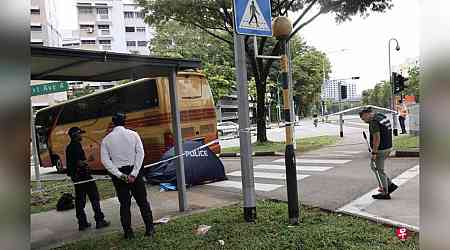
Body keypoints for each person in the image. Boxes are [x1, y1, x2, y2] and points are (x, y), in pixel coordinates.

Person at [100, 112, 155, 239]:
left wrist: (120, 175)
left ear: (113, 123)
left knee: (124, 204)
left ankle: (128, 232)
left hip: (119, 174)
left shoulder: (106, 140)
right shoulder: (134, 135)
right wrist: (134, 173)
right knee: (143, 202)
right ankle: (150, 229)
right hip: (134, 172)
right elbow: (140, 154)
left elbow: (105, 161)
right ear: (125, 121)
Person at [65, 127, 110, 231]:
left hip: (76, 177)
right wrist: (89, 161)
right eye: (80, 134)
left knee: (80, 201)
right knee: (94, 197)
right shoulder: (76, 146)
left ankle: (82, 223)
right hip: (83, 176)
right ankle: (99, 220)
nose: (82, 136)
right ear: (75, 135)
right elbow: (79, 162)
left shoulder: (69, 147)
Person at [359, 108, 398, 199]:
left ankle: (385, 192)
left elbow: (377, 138)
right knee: (375, 167)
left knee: (378, 170)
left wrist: (374, 152)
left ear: (367, 114)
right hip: (388, 146)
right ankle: (390, 185)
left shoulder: (373, 122)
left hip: (381, 149)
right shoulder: (381, 116)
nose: (364, 121)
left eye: (363, 118)